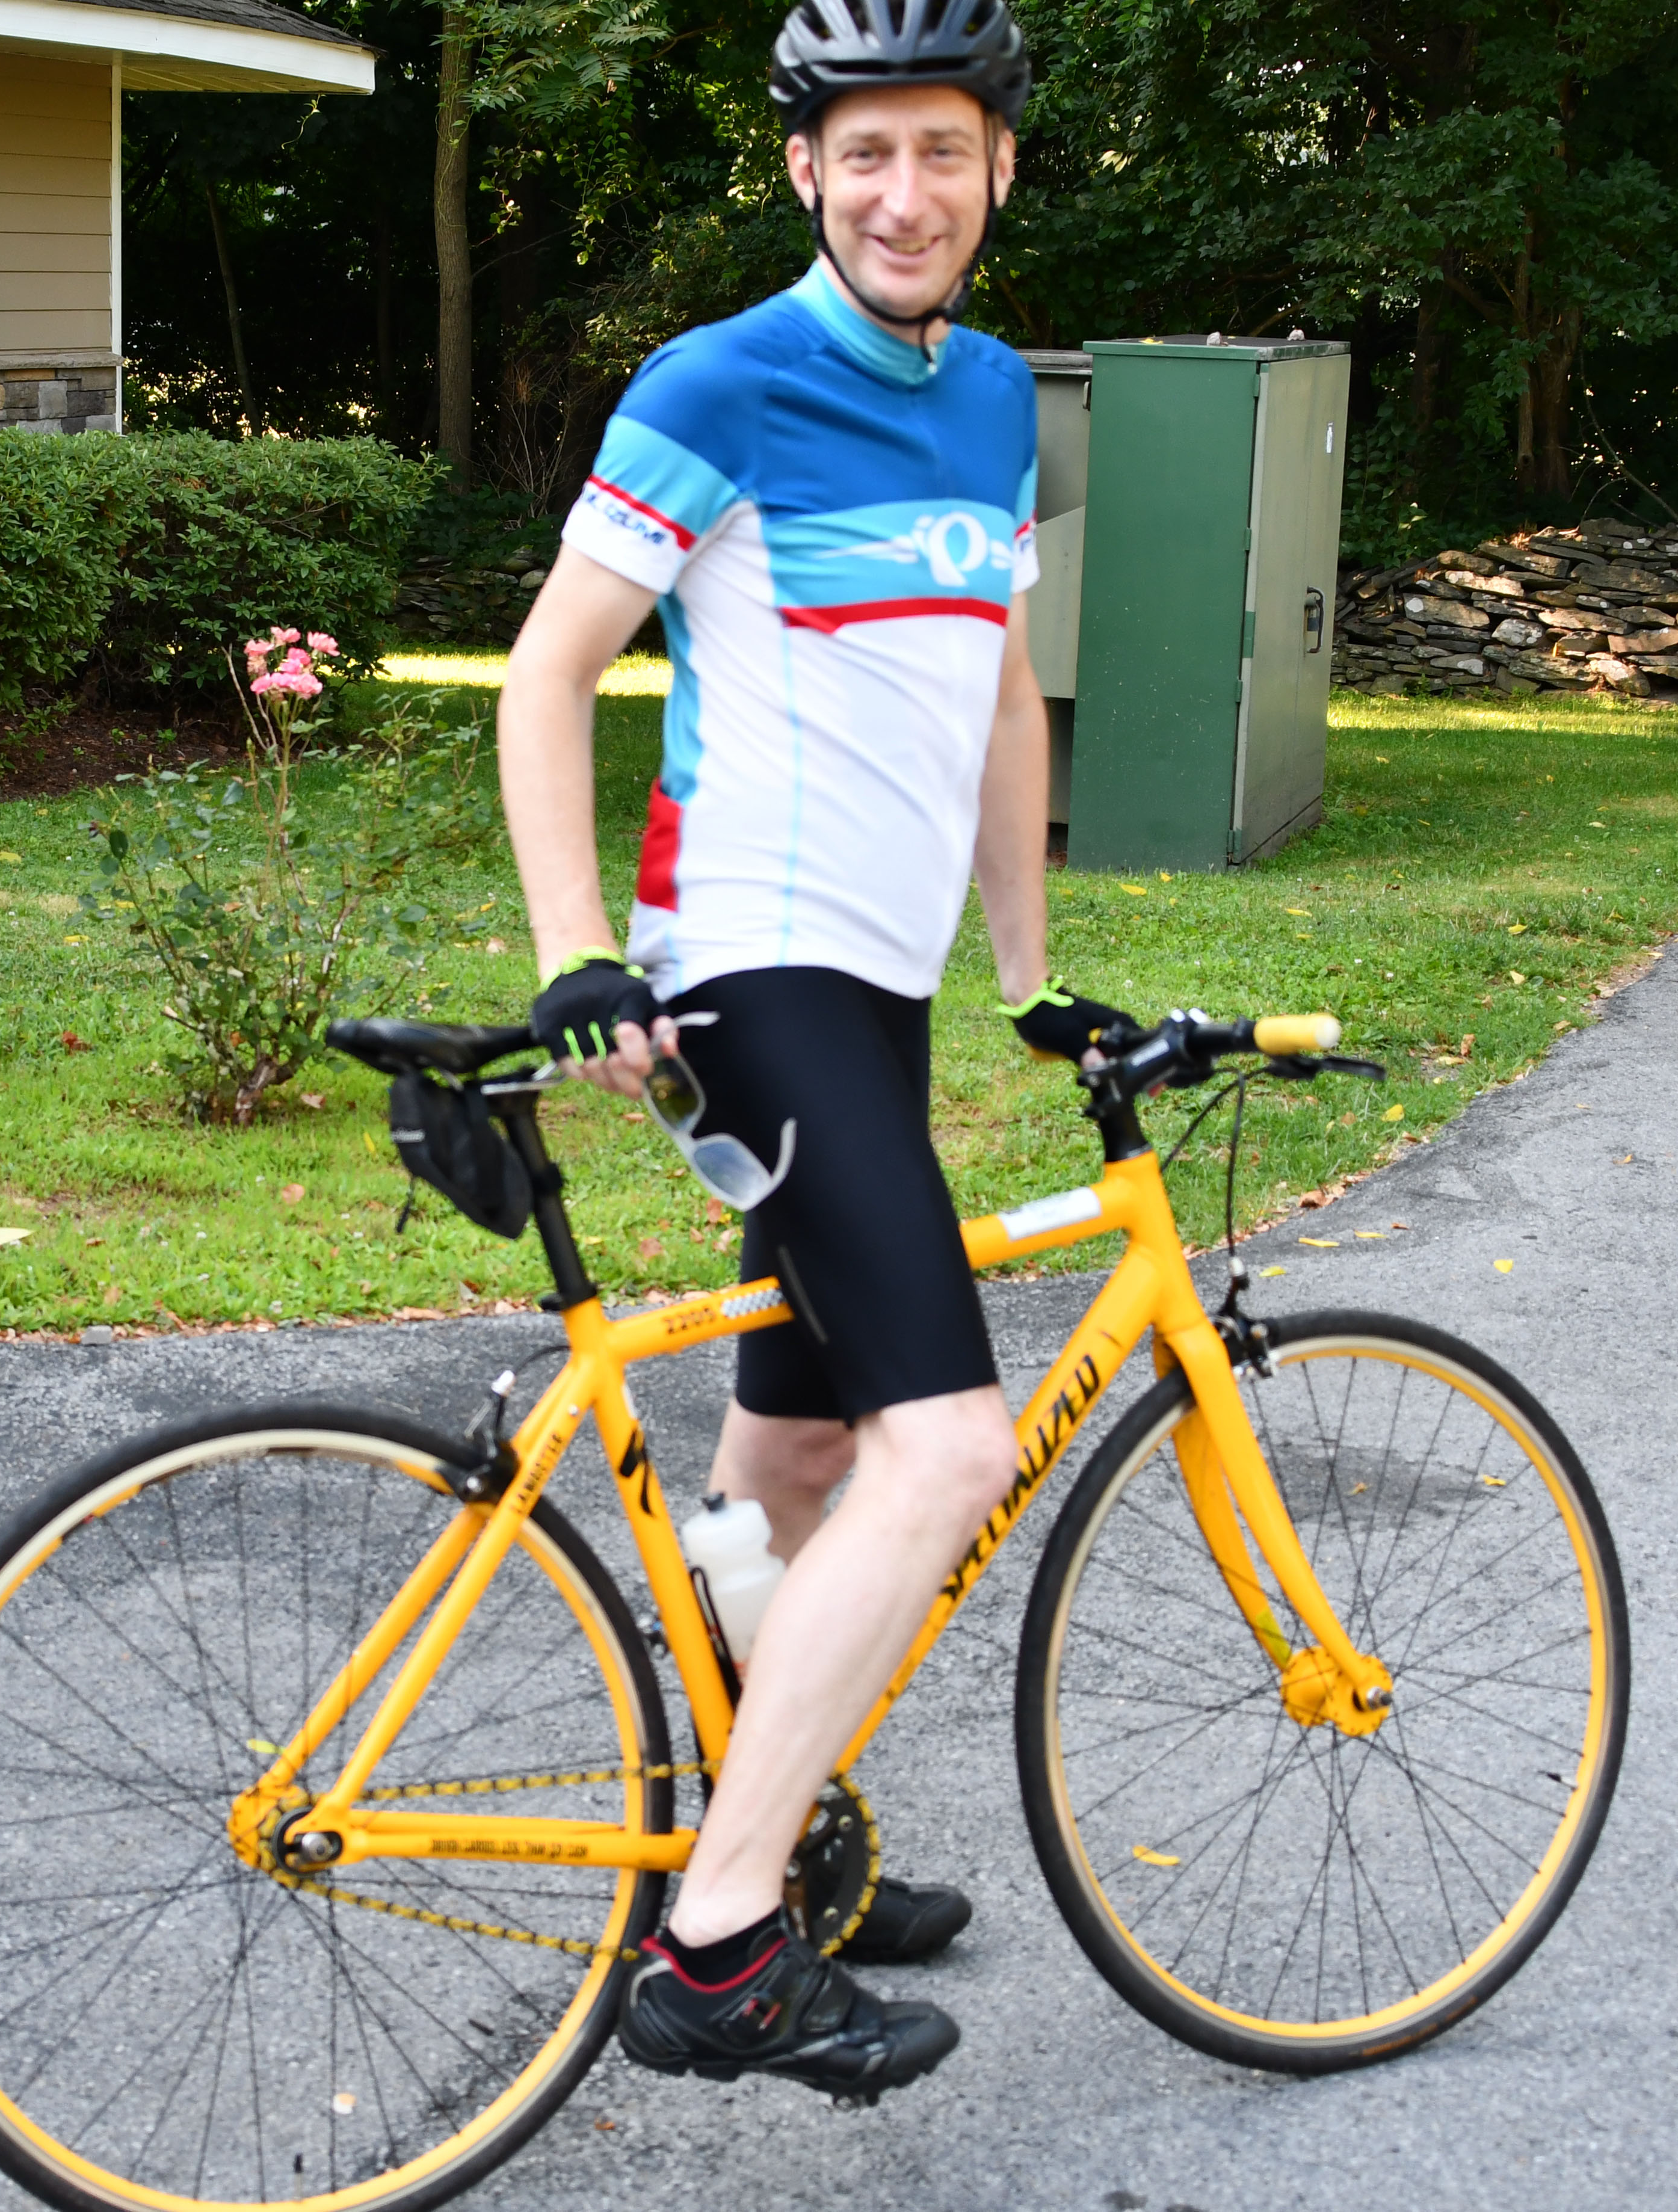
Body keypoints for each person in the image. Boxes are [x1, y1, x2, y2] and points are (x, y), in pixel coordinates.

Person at [497, 0, 1132, 2105]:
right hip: (741, 971)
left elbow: (1003, 702)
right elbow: (547, 675)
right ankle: (723, 1934)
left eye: (938, 153)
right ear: (802, 174)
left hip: (874, 989)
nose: (900, 192)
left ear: (995, 175)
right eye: (862, 154)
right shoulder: (721, 381)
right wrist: (584, 953)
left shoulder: (985, 415)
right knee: (948, 1446)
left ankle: (767, 1820)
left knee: (800, 1455)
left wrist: (1031, 971)